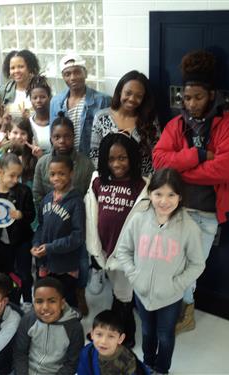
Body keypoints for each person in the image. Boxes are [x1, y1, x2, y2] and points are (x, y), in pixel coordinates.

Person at [152, 50, 229, 333]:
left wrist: (179, 168)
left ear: (212, 95)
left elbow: (226, 170)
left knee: (192, 267)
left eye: (198, 97)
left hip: (206, 214)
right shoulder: (176, 124)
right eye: (187, 97)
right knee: (169, 262)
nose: (191, 103)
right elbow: (159, 161)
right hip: (174, 209)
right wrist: (199, 154)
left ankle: (187, 311)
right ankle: (174, 309)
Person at [116, 168, 206, 375]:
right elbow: (123, 250)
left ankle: (162, 369)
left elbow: (197, 264)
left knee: (165, 336)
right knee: (147, 333)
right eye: (158, 194)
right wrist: (134, 276)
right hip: (142, 292)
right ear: (150, 194)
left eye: (171, 195)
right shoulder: (138, 220)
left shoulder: (189, 228)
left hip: (170, 297)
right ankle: (147, 365)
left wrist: (177, 285)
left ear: (180, 197)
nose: (164, 201)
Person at [84, 133, 148, 347]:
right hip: (104, 250)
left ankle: (125, 336)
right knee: (118, 293)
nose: (117, 164)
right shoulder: (98, 181)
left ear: (132, 158)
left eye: (122, 158)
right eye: (111, 159)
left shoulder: (141, 186)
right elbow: (91, 213)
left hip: (127, 253)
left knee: (124, 296)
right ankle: (112, 332)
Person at [32, 113, 93, 315]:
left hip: (76, 222)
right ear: (51, 138)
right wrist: (51, 213)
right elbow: (38, 192)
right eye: (57, 137)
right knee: (49, 268)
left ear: (73, 137)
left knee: (81, 263)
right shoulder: (43, 163)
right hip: (51, 219)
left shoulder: (84, 163)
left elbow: (90, 194)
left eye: (67, 136)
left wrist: (68, 210)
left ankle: (79, 292)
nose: (62, 141)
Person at [0, 153, 35, 302]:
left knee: (24, 273)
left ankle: (28, 300)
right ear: (1, 172)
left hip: (21, 240)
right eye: (12, 175)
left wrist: (21, 215)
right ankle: (10, 301)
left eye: (18, 176)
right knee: (4, 273)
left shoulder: (24, 191)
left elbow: (32, 215)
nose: (16, 180)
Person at [31, 155, 85, 308]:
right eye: (53, 174)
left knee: (66, 303)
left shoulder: (76, 202)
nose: (56, 178)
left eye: (61, 173)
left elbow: (77, 237)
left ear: (71, 174)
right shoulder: (47, 198)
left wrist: (50, 247)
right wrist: (36, 243)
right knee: (47, 301)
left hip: (65, 267)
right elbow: (40, 226)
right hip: (45, 263)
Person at [90, 70, 158, 175]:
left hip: (143, 182)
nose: (132, 99)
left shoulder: (150, 120)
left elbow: (157, 154)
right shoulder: (101, 117)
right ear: (119, 91)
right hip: (111, 183)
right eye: (128, 93)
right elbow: (95, 154)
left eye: (138, 96)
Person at [13, 277, 84, 375]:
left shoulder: (74, 328)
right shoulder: (28, 320)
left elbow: (72, 364)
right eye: (39, 301)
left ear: (62, 303)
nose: (45, 307)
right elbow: (20, 353)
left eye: (52, 301)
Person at [49, 54, 110, 156]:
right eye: (67, 74)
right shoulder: (56, 102)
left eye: (77, 72)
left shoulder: (103, 101)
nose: (72, 78)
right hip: (65, 162)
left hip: (91, 163)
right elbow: (53, 136)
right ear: (63, 77)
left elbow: (108, 137)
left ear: (85, 73)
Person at [0, 118, 41, 185]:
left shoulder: (34, 156)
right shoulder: (4, 157)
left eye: (23, 133)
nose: (18, 136)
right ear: (9, 134)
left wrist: (39, 157)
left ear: (28, 136)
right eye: (15, 132)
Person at [77, 310, 148, 375]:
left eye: (111, 336)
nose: (103, 341)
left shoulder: (128, 359)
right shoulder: (87, 352)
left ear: (120, 339)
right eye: (99, 334)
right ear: (92, 334)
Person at [0, 50, 40, 121]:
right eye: (12, 68)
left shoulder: (41, 89)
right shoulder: (3, 91)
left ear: (29, 68)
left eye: (21, 67)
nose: (16, 71)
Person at [27, 75, 52, 154]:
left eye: (42, 97)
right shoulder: (28, 124)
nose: (38, 101)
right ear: (30, 100)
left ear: (49, 97)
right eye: (35, 98)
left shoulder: (57, 122)